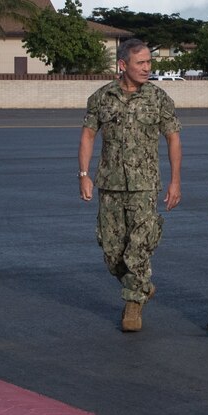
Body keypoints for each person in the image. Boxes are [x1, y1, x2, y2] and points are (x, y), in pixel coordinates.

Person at [79, 39, 182, 332]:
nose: (147, 68)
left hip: (145, 185)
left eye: (149, 62)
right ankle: (141, 286)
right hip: (109, 184)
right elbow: (88, 135)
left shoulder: (159, 98)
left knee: (138, 248)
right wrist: (83, 174)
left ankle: (133, 305)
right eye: (141, 63)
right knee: (113, 254)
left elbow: (173, 138)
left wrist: (175, 181)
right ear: (122, 65)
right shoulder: (101, 97)